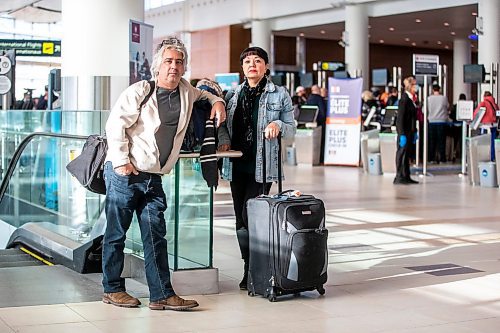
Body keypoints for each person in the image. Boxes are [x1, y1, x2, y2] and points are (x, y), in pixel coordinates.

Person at [102, 36, 226, 310]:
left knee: (155, 235)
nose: (174, 66)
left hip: (152, 178)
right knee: (116, 234)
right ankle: (112, 289)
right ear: (157, 66)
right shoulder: (140, 91)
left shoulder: (186, 91)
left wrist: (218, 102)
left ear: (184, 68)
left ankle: (161, 295)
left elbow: (205, 93)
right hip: (125, 174)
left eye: (179, 62)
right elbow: (114, 126)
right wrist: (122, 162)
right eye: (168, 61)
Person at [217, 46, 296, 290]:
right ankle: (248, 267)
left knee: (250, 216)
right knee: (240, 221)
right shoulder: (232, 95)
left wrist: (277, 124)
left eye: (258, 61)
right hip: (236, 165)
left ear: (266, 66)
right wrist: (224, 140)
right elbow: (222, 126)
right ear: (242, 68)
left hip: (263, 167)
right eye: (248, 61)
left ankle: (256, 268)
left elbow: (292, 128)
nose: (253, 65)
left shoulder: (279, 94)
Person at [394, 76, 419, 185]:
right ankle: (399, 176)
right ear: (410, 86)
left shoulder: (411, 100)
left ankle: (406, 175)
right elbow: (400, 119)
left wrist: (414, 131)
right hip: (404, 132)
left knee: (407, 154)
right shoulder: (404, 100)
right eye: (414, 84)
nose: (416, 87)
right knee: (401, 153)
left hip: (410, 131)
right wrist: (402, 134)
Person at [474, 91, 500, 161]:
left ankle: (486, 157)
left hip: (485, 125)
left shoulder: (483, 103)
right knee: (493, 142)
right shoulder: (495, 104)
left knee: (484, 142)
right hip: (493, 125)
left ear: (484, 96)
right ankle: (493, 157)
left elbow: (476, 113)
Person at [427, 85, 449, 163]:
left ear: (433, 90)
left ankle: (431, 158)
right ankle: (442, 158)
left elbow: (424, 110)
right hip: (441, 121)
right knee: (441, 142)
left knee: (432, 142)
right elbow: (447, 107)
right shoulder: (443, 98)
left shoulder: (429, 99)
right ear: (439, 90)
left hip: (432, 121)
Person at [306, 84, 327, 163]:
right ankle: (320, 158)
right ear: (318, 90)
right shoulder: (319, 99)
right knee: (321, 141)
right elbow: (322, 112)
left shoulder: (309, 98)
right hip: (319, 124)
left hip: (310, 123)